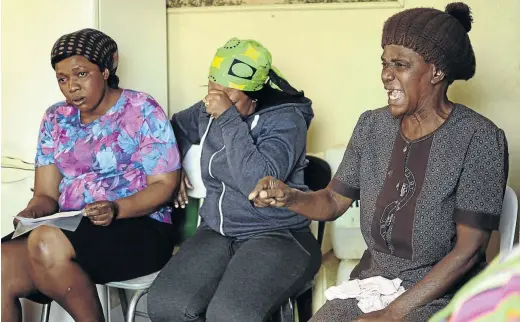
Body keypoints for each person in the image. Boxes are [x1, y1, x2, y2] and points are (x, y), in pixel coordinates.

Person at [249, 3, 509, 321]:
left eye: (400, 65)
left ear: (437, 71)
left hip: (441, 294)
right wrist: (288, 196)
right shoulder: (372, 126)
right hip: (374, 284)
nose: (386, 75)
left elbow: (469, 251)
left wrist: (393, 313)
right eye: (384, 63)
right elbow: (332, 201)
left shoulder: (479, 138)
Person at [1, 28, 181, 322]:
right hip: (72, 226)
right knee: (3, 262)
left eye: (81, 74)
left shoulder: (142, 109)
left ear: (107, 69)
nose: (71, 87)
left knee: (45, 242)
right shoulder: (55, 118)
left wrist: (115, 209)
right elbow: (45, 195)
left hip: (139, 226)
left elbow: (163, 185)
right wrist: (31, 212)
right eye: (62, 79)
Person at [147, 38, 322, 322]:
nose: (214, 100)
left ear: (254, 94)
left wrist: (228, 118)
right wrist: (173, 166)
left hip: (279, 235)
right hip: (218, 232)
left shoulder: (286, 120)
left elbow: (258, 182)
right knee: (166, 304)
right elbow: (173, 129)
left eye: (228, 94)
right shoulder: (208, 109)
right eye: (212, 88)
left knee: (230, 315)